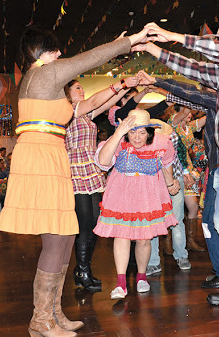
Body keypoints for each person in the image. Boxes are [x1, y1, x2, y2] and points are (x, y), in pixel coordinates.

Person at [0, 25, 151, 336]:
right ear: (43, 53)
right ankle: (41, 320)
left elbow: (87, 106)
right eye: (55, 50)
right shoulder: (44, 72)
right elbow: (90, 58)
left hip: (50, 155)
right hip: (41, 157)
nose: (61, 55)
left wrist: (121, 83)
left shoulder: (44, 81)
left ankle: (52, 312)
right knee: (56, 237)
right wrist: (129, 41)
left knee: (66, 235)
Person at [139, 17, 219, 313]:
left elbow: (216, 57)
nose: (215, 47)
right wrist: (154, 54)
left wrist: (169, 34)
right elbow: (193, 71)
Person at [137, 70, 219, 288]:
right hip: (169, 179)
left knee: (183, 215)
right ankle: (162, 257)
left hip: (184, 174)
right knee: (160, 221)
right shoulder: (170, 127)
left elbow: (178, 156)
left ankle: (182, 253)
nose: (189, 115)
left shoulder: (180, 130)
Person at [93, 110, 178, 300]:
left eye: (141, 132)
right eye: (132, 132)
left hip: (149, 193)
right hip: (121, 192)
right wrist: (117, 133)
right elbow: (103, 162)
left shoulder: (162, 143)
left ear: (149, 132)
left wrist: (171, 183)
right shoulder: (118, 143)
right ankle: (121, 284)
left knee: (144, 239)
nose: (137, 137)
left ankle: (141, 277)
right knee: (121, 235)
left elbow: (166, 164)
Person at [64, 76, 138, 292]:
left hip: (91, 168)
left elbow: (104, 103)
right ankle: (82, 271)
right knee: (85, 222)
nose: (82, 90)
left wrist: (126, 89)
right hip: (76, 169)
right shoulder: (69, 109)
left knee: (95, 223)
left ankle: (84, 269)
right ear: (67, 93)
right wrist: (122, 83)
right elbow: (96, 101)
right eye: (78, 88)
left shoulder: (85, 114)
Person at [146, 118, 191, 275]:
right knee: (154, 221)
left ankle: (181, 255)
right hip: (153, 182)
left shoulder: (170, 136)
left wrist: (182, 175)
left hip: (174, 179)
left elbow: (178, 157)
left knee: (177, 219)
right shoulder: (143, 139)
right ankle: (153, 261)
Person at [167, 106, 207, 252]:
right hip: (174, 169)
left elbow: (206, 118)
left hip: (188, 170)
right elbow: (183, 112)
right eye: (188, 112)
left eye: (191, 112)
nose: (190, 114)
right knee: (173, 208)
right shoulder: (173, 122)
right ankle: (168, 242)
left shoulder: (189, 128)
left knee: (193, 207)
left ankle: (190, 241)